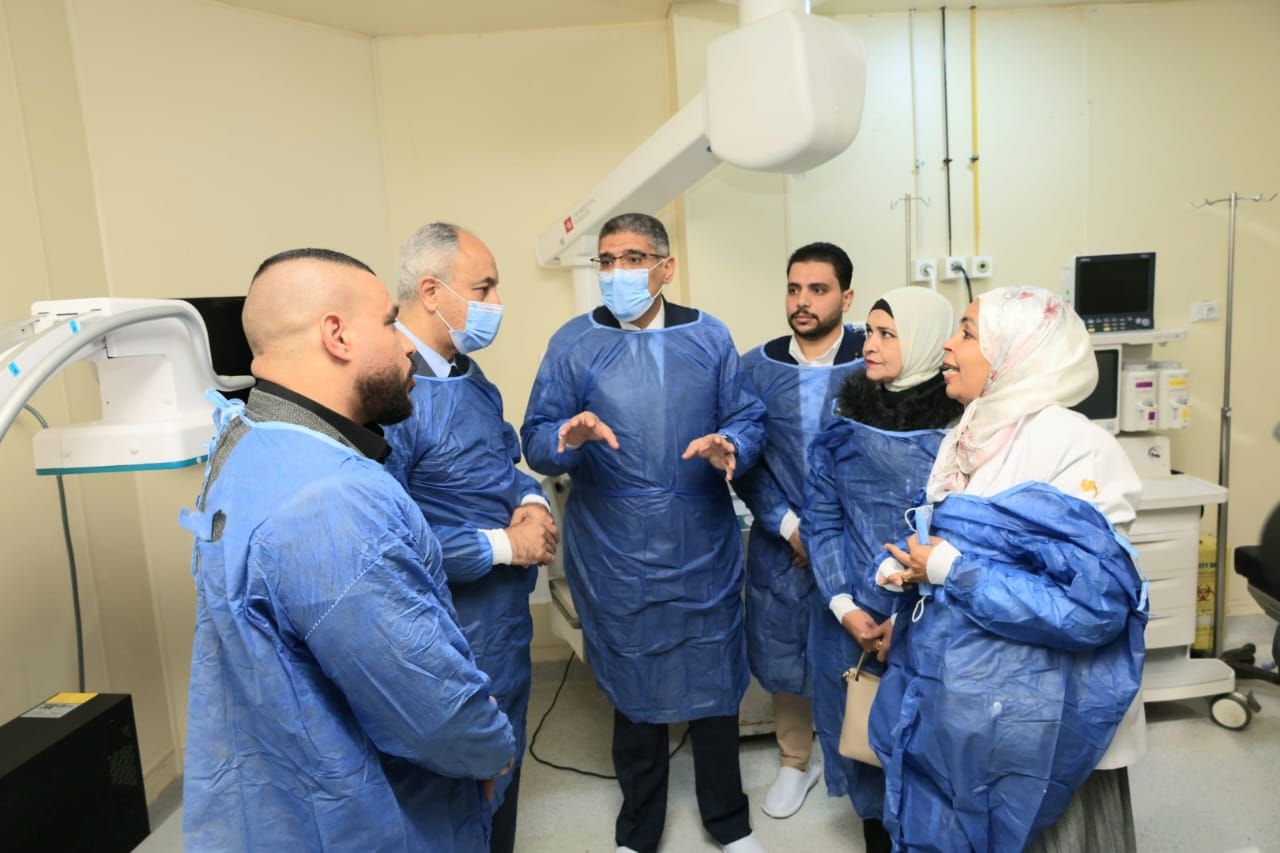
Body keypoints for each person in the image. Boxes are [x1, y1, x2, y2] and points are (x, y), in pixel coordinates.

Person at [181, 249, 516, 852]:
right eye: (390, 323)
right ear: (336, 335)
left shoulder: (251, 442)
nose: (407, 345)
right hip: (360, 819)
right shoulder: (332, 500)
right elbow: (432, 712)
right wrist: (489, 752)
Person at [520, 213, 769, 853]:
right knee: (634, 682)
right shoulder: (574, 342)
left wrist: (731, 443)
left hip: (700, 536)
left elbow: (747, 417)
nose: (616, 272)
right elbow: (536, 438)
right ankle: (640, 826)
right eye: (606, 260)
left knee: (714, 679)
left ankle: (728, 821)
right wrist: (566, 438)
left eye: (632, 258)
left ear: (665, 267)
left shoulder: (708, 336)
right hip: (616, 544)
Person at [869, 285, 1148, 852]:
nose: (948, 345)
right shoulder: (967, 436)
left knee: (1045, 828)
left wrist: (950, 569)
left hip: (1044, 713)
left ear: (1017, 351)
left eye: (968, 333)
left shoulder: (1076, 446)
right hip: (972, 699)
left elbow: (1092, 607)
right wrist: (912, 574)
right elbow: (955, 542)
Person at [383, 223, 558, 853]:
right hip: (444, 632)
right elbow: (389, 539)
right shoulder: (389, 395)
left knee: (500, 772)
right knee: (449, 798)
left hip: (501, 626)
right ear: (432, 291)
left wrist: (532, 503)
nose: (496, 303)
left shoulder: (469, 377)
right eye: (483, 289)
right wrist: (506, 546)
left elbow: (502, 465)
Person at [803, 286, 963, 852]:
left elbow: (967, 535)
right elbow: (821, 517)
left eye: (887, 334)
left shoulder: (966, 427)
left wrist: (906, 617)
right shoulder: (846, 412)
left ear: (923, 341)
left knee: (931, 755)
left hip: (934, 614)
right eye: (869, 331)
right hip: (851, 614)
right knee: (864, 744)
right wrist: (843, 605)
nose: (869, 345)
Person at [731, 242, 865, 819]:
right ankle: (795, 759)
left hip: (858, 540)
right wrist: (791, 528)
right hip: (781, 540)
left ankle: (858, 758)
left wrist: (833, 537)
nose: (802, 301)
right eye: (794, 289)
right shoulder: (757, 367)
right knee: (784, 646)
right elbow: (748, 462)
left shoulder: (875, 360)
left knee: (858, 648)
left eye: (818, 289)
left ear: (846, 297)